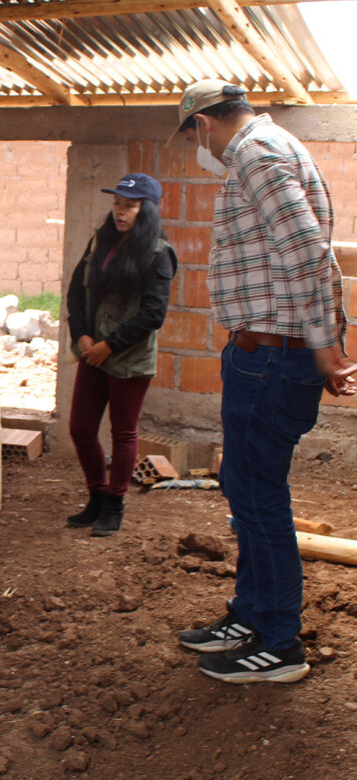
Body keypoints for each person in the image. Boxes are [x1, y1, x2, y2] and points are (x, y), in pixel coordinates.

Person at [172, 80, 356, 683]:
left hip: (273, 356)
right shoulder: (275, 147)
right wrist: (322, 342)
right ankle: (251, 615)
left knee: (258, 495)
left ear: (203, 123)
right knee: (246, 486)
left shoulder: (255, 152)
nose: (200, 149)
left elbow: (306, 252)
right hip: (269, 351)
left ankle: (279, 643)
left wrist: (325, 346)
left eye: (193, 137)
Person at [66, 173, 177, 537]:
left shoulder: (159, 254)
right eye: (117, 203)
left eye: (130, 206)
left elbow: (153, 314)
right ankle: (97, 496)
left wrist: (109, 346)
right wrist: (81, 335)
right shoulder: (100, 241)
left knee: (123, 432)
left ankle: (115, 504)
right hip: (93, 351)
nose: (120, 211)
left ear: (147, 211)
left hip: (128, 357)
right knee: (81, 429)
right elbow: (76, 291)